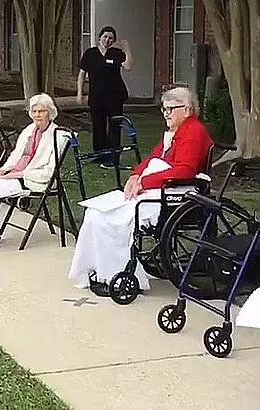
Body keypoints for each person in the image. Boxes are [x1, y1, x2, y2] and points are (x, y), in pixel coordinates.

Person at [67, 86, 213, 296]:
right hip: (159, 187)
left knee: (111, 220)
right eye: (164, 109)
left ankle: (117, 274)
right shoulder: (175, 132)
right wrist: (136, 175)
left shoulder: (194, 131)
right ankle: (99, 270)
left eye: (171, 109)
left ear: (187, 109)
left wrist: (146, 182)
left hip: (175, 191)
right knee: (95, 214)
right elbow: (154, 158)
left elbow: (185, 169)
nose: (166, 114)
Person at [0, 93, 68, 257]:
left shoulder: (58, 135)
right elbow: (15, 156)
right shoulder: (29, 130)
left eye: (42, 111)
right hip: (17, 173)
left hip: (34, 179)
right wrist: (1, 172)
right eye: (34, 111)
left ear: (50, 112)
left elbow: (48, 172)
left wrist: (18, 175)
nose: (37, 115)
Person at [76, 26, 132, 168]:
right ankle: (100, 156)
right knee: (98, 126)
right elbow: (82, 74)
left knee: (114, 127)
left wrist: (126, 48)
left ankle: (113, 158)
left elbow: (128, 66)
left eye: (111, 38)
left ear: (113, 40)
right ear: (100, 37)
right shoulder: (90, 54)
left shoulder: (116, 53)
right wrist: (79, 93)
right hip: (96, 97)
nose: (107, 40)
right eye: (105, 36)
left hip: (115, 96)